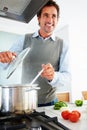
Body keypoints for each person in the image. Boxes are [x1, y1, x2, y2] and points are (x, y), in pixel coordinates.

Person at [0, 0, 71, 106]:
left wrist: (52, 76)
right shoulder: (24, 39)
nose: (50, 20)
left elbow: (67, 77)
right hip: (25, 101)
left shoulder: (63, 44)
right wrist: (4, 58)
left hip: (50, 103)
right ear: (39, 18)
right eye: (46, 15)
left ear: (57, 19)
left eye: (54, 16)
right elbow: (7, 64)